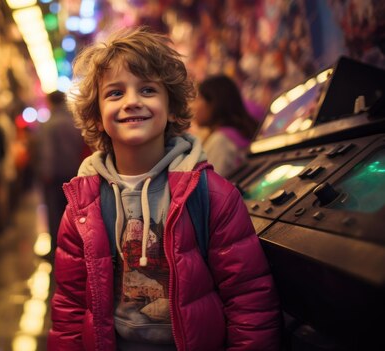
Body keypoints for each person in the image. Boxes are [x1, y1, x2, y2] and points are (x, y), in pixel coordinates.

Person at [47, 27, 281, 350]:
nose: (131, 102)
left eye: (147, 90)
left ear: (171, 107)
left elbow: (249, 301)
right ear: (97, 116)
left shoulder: (213, 196)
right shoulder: (82, 207)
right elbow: (70, 307)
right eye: (115, 93)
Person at [38, 91, 85, 251]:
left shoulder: (50, 124)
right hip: (73, 173)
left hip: (55, 175)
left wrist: (46, 173)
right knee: (72, 216)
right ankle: (71, 249)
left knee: (54, 215)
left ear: (51, 102)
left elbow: (47, 151)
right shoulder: (74, 122)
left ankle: (56, 250)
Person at [191, 75, 259, 177]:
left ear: (213, 103)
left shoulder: (220, 140)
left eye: (198, 99)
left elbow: (212, 187)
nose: (193, 106)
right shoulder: (237, 130)